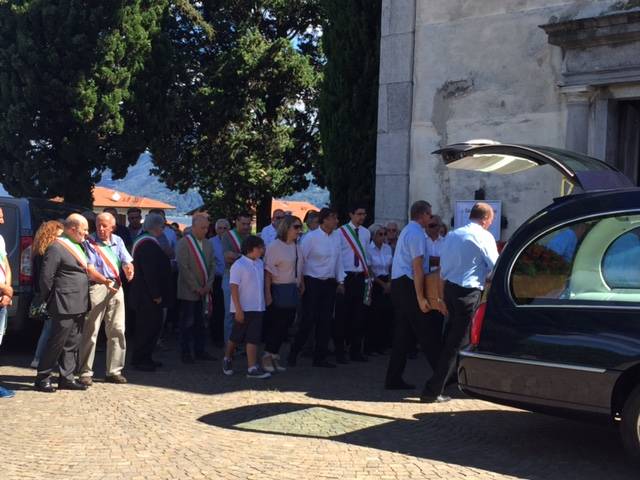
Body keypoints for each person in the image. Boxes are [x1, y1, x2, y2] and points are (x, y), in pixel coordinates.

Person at [421, 202, 499, 403]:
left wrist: (440, 296)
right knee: (456, 343)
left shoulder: (453, 235)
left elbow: (443, 269)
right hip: (468, 292)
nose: (491, 222)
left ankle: (450, 380)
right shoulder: (484, 236)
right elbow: (496, 265)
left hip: (451, 289)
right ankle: (433, 390)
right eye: (491, 219)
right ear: (485, 219)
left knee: (452, 338)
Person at [384, 201, 443, 392]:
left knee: (403, 335)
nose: (431, 218)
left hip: (400, 284)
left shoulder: (408, 232)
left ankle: (393, 378)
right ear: (423, 214)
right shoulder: (417, 233)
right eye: (430, 215)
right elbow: (417, 267)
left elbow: (420, 261)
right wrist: (421, 297)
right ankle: (442, 378)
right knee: (427, 333)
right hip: (409, 285)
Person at [34, 214, 93, 392]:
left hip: (79, 302)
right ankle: (43, 377)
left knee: (72, 342)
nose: (87, 233)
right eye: (84, 230)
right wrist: (50, 299)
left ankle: (66, 377)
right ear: (73, 229)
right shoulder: (56, 247)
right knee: (56, 342)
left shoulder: (78, 245)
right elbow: (46, 278)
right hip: (63, 302)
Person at [78, 212, 134, 386]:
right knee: (91, 330)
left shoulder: (118, 240)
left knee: (117, 329)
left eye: (105, 226)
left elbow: (126, 260)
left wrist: (129, 267)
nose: (101, 229)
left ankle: (114, 371)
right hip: (98, 287)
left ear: (112, 227)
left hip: (116, 287)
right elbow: (90, 269)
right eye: (98, 225)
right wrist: (104, 281)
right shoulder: (89, 243)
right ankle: (85, 371)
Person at [288, 208, 344, 368]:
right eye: (333, 218)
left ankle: (320, 357)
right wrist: (300, 281)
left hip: (329, 283)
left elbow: (338, 259)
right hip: (312, 282)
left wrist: (341, 280)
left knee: (325, 321)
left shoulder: (336, 237)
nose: (336, 221)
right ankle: (294, 353)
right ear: (324, 220)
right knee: (308, 319)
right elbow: (300, 260)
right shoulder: (310, 238)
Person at [129, 213, 175, 371]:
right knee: (146, 328)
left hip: (146, 294)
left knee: (152, 327)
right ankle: (140, 359)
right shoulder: (147, 244)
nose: (163, 230)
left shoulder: (146, 241)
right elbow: (150, 272)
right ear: (156, 227)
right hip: (147, 296)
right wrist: (156, 294)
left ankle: (146, 357)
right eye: (162, 226)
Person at [222, 235, 270, 379]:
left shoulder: (260, 263)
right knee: (235, 337)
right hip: (243, 308)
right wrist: (238, 309)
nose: (262, 250)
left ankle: (252, 367)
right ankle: (227, 358)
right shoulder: (239, 265)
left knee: (253, 338)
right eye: (260, 248)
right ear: (251, 249)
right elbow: (234, 287)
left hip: (258, 307)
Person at [263, 215, 304, 373]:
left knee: (286, 326)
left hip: (292, 289)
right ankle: (267, 356)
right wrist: (268, 294)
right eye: (296, 227)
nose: (299, 230)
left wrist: (301, 283)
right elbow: (268, 272)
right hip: (278, 289)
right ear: (286, 228)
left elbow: (298, 266)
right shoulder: (275, 246)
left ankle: (274, 356)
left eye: (300, 227)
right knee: (276, 326)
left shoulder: (296, 246)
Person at [176, 213, 217, 363]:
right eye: (202, 227)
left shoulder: (208, 243)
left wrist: (208, 285)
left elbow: (213, 265)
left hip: (205, 290)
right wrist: (196, 287)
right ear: (193, 226)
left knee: (201, 323)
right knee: (187, 323)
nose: (205, 230)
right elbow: (184, 267)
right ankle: (185, 352)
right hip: (188, 292)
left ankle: (200, 350)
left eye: (207, 227)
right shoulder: (184, 243)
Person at [334, 202, 371, 362]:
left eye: (363, 214)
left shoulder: (366, 233)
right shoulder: (340, 232)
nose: (362, 217)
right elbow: (337, 257)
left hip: (360, 277)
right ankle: (339, 352)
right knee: (342, 317)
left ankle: (356, 351)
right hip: (346, 277)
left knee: (359, 316)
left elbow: (366, 256)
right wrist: (340, 280)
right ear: (351, 214)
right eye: (359, 214)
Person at [30, 220, 64, 369]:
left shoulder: (38, 250)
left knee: (48, 328)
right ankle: (38, 359)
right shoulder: (50, 251)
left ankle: (40, 358)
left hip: (42, 292)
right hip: (50, 293)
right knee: (49, 328)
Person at [221, 212, 252, 343]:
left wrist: (238, 256)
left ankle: (239, 343)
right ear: (236, 222)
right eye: (243, 224)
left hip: (246, 278)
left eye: (248, 224)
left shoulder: (250, 236)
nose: (246, 227)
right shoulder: (228, 236)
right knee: (230, 313)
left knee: (244, 312)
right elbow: (228, 256)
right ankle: (229, 345)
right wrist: (246, 257)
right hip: (230, 276)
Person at [365, 223, 393, 355]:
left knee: (385, 315)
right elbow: (369, 270)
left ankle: (383, 344)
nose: (383, 237)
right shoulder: (368, 250)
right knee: (373, 315)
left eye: (384, 234)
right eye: (380, 234)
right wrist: (382, 284)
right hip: (375, 284)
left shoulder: (387, 248)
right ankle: (371, 346)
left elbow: (391, 266)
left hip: (387, 282)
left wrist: (390, 283)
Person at [0, 207, 15, 398]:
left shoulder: (1, 239)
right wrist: (4, 289)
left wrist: (8, 291)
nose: (2, 221)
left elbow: (6, 266)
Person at [209, 218, 229, 347]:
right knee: (218, 309)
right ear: (215, 229)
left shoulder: (232, 241)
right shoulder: (210, 242)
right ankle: (216, 337)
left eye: (224, 228)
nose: (222, 231)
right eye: (219, 228)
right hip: (217, 279)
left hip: (231, 278)